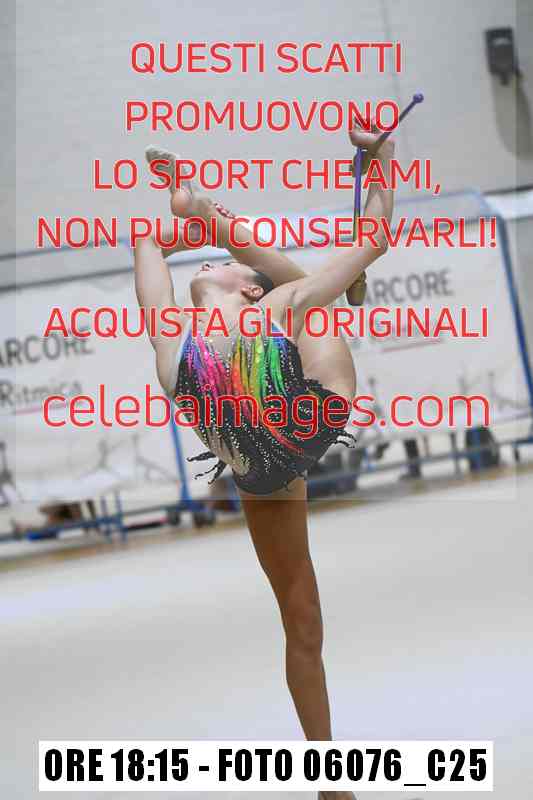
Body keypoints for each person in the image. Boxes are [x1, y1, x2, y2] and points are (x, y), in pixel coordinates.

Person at [134, 121, 395, 800]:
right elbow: (147, 244)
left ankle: (221, 215)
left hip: (299, 423)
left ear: (247, 289)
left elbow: (375, 237)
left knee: (310, 301)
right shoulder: (196, 331)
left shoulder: (243, 316)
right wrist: (188, 210)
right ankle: (328, 779)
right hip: (266, 468)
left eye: (219, 259)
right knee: (302, 621)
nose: (206, 263)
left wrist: (383, 162)